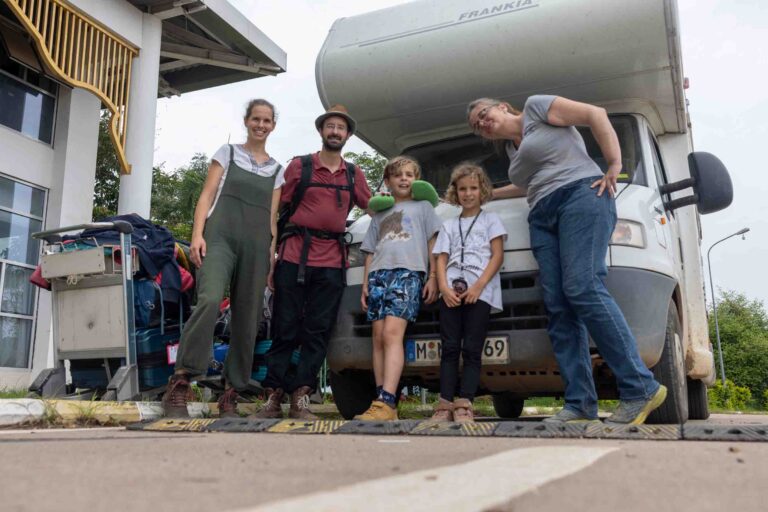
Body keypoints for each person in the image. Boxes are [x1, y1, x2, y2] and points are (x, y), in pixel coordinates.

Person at [467, 95, 667, 425]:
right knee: (558, 307)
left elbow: (595, 112)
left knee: (583, 287)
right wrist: (486, 194)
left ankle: (640, 387)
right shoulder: (511, 153)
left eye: (483, 114)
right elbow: (527, 184)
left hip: (580, 196)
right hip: (542, 215)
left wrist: (614, 164)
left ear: (503, 106)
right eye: (477, 125)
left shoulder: (535, 108)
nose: (483, 124)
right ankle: (579, 405)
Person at [162, 99, 284, 418]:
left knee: (249, 317)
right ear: (246, 121)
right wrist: (196, 235)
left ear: (273, 126)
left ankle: (230, 392)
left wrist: (271, 255)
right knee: (210, 299)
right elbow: (207, 195)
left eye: (266, 120)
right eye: (255, 119)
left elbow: (272, 218)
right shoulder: (226, 153)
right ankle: (182, 380)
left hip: (258, 245)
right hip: (220, 237)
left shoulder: (277, 171)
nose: (260, 124)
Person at [253, 105, 372, 420]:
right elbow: (275, 209)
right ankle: (272, 396)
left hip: (333, 261)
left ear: (348, 135)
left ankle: (301, 397)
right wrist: (270, 258)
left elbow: (374, 207)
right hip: (293, 255)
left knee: (318, 331)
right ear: (322, 131)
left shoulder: (353, 174)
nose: (335, 132)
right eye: (330, 126)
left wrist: (413, 202)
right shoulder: (300, 167)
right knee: (284, 327)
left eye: (341, 128)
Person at [355, 156, 442, 421]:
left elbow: (433, 243)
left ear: (416, 180)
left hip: (408, 274)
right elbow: (370, 251)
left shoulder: (423, 208)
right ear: (389, 181)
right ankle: (382, 403)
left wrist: (434, 276)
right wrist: (365, 284)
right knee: (378, 337)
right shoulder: (379, 213)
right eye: (398, 175)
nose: (404, 178)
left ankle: (388, 398)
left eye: (409, 174)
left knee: (393, 334)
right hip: (379, 276)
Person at [431, 163, 506, 423]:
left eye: (473, 188)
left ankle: (465, 403)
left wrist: (478, 286)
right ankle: (444, 404)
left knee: (472, 349)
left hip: (479, 293)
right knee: (450, 348)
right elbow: (441, 258)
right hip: (451, 292)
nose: (468, 193)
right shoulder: (449, 224)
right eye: (462, 189)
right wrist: (443, 287)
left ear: (482, 189)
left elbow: (497, 256)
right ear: (455, 192)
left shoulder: (491, 220)